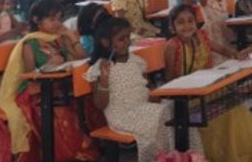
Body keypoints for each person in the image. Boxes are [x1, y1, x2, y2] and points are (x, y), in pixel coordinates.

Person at [163, 5, 252, 162]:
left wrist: (237, 54)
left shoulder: (202, 36)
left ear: (196, 23)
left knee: (237, 108)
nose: (187, 26)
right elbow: (169, 79)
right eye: (181, 22)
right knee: (227, 116)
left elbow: (224, 50)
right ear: (172, 27)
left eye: (190, 21)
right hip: (189, 98)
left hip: (210, 90)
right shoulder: (172, 46)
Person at [86, 17, 203, 162]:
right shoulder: (100, 68)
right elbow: (100, 104)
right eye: (121, 39)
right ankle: (169, 157)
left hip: (144, 106)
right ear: (105, 42)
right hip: (123, 116)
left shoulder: (136, 61)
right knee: (164, 115)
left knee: (180, 110)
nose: (127, 42)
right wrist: (104, 82)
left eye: (128, 37)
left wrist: (153, 94)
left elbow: (148, 86)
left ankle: (190, 156)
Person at [0, 0, 97, 161]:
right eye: (52, 19)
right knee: (60, 112)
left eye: (59, 18)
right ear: (37, 20)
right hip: (38, 93)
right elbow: (31, 75)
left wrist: (71, 36)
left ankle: (88, 147)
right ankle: (67, 154)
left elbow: (82, 58)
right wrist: (47, 66)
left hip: (60, 88)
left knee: (88, 101)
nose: (57, 23)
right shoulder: (30, 43)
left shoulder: (59, 38)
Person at [196, 0, 240, 64]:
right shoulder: (204, 0)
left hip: (224, 29)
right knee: (217, 59)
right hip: (213, 32)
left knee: (229, 57)